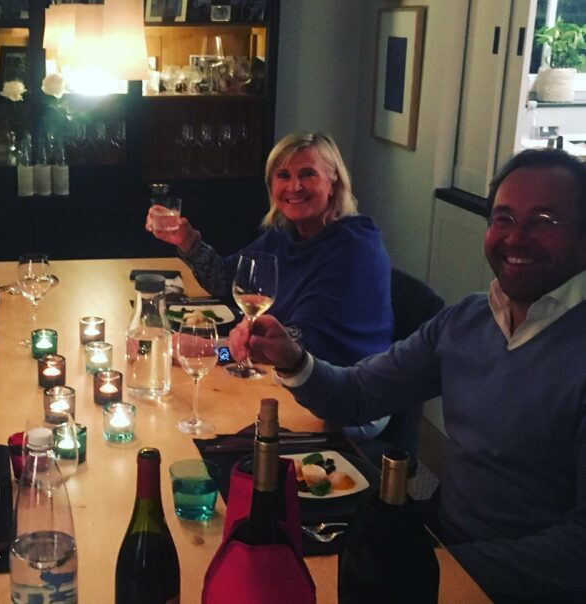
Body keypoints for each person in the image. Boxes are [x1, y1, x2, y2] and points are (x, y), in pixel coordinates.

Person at [230, 148, 586, 602]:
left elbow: (577, 549)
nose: (516, 237)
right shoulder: (468, 320)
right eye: (504, 218)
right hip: (443, 537)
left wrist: (437, 569)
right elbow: (357, 394)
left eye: (543, 221)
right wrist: (293, 359)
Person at [146, 132, 393, 441]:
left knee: (208, 424)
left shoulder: (354, 249)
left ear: (334, 183)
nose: (294, 187)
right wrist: (187, 241)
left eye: (308, 174)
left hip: (349, 400)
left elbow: (298, 344)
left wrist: (210, 351)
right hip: (292, 377)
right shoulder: (286, 235)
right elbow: (226, 281)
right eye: (283, 175)